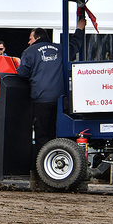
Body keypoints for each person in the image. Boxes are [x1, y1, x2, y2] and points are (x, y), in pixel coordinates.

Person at [16, 18, 87, 159]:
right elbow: (74, 45)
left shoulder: (29, 52)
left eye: (30, 38)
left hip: (41, 100)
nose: (29, 42)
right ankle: (57, 161)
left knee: (41, 135)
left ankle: (42, 166)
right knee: (56, 133)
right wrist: (79, 29)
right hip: (60, 101)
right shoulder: (61, 49)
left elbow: (22, 73)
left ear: (37, 38)